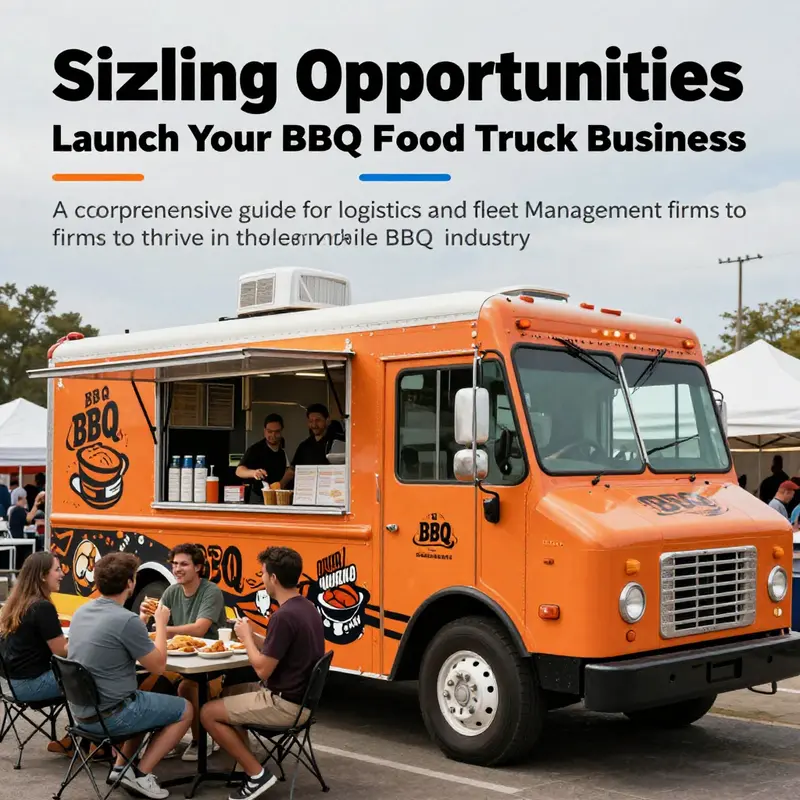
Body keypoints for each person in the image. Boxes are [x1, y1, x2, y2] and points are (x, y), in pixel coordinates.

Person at [201, 546, 324, 800]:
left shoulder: (284, 616)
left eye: (263, 574)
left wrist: (246, 639)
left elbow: (262, 670)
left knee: (207, 713)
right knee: (228, 692)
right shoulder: (306, 607)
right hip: (302, 701)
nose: (262, 579)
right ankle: (245, 765)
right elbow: (278, 645)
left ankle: (257, 775)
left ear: (274, 578)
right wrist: (254, 635)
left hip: (284, 704)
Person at [68, 552, 192, 800]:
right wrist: (161, 624)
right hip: (112, 715)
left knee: (145, 697)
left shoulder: (82, 611)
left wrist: (140, 621)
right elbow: (158, 666)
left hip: (81, 713)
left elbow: (114, 640)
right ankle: (142, 774)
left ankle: (120, 768)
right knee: (185, 709)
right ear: (130, 583)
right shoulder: (125, 620)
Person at [140, 543, 226, 761]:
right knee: (150, 682)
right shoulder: (171, 591)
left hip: (211, 664)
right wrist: (144, 615)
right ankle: (164, 737)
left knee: (188, 686)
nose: (177, 569)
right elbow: (157, 624)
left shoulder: (210, 592)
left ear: (198, 567)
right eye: (175, 564)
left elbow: (200, 629)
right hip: (179, 661)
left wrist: (162, 628)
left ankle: (200, 741)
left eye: (184, 564)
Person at [0, 551, 67, 702]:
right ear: (42, 576)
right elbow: (62, 652)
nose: (62, 574)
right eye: (57, 570)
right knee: (92, 675)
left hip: (12, 683)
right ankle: (105, 722)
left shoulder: (19, 603)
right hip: (32, 684)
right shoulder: (42, 607)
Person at [236, 414, 293, 504]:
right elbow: (239, 471)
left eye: (276, 432)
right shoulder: (255, 449)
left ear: (282, 431)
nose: (273, 435)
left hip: (277, 498)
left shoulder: (282, 452)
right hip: (258, 498)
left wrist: (281, 483)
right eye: (269, 431)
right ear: (264, 431)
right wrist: (254, 473)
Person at [290, 404, 345, 468]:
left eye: (318, 420)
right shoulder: (304, 446)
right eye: (311, 421)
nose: (314, 425)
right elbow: (292, 470)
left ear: (327, 421)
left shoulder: (339, 441)